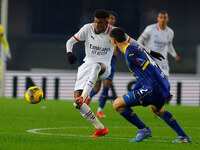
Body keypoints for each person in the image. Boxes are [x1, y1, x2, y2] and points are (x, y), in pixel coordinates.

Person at [66, 9, 164, 137]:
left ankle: (83, 96)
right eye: (95, 22)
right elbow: (70, 41)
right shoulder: (87, 28)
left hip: (104, 67)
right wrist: (69, 52)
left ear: (106, 22)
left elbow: (133, 42)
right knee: (77, 104)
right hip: (86, 66)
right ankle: (100, 128)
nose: (96, 25)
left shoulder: (113, 32)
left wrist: (150, 52)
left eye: (100, 23)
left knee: (96, 67)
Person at [109, 27, 191, 143]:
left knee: (117, 105)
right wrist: (164, 88)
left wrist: (165, 92)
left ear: (113, 40)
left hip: (154, 88)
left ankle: (143, 130)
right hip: (162, 83)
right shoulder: (135, 48)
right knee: (157, 110)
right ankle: (183, 137)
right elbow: (145, 73)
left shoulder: (130, 53)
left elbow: (152, 69)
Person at [85, 11, 119, 118]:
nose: (111, 20)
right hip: (100, 63)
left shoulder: (117, 32)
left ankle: (100, 111)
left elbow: (117, 50)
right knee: (97, 88)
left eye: (113, 18)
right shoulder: (100, 31)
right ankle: (87, 99)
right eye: (109, 18)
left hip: (111, 63)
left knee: (106, 87)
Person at [137, 10, 180, 77]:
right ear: (158, 19)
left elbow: (169, 45)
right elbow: (139, 41)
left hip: (163, 60)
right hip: (151, 59)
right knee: (151, 82)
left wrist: (175, 55)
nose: (163, 19)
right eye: (161, 17)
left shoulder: (170, 32)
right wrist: (142, 52)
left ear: (167, 19)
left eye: (164, 17)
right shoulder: (150, 29)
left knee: (165, 82)